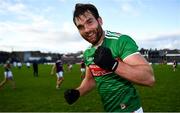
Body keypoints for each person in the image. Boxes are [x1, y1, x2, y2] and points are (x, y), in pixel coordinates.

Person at [64, 3, 155, 112]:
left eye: (89, 22)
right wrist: (78, 92)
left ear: (100, 21)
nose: (87, 30)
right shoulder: (88, 53)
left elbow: (149, 78)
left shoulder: (120, 41)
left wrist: (113, 64)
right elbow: (90, 80)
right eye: (81, 27)